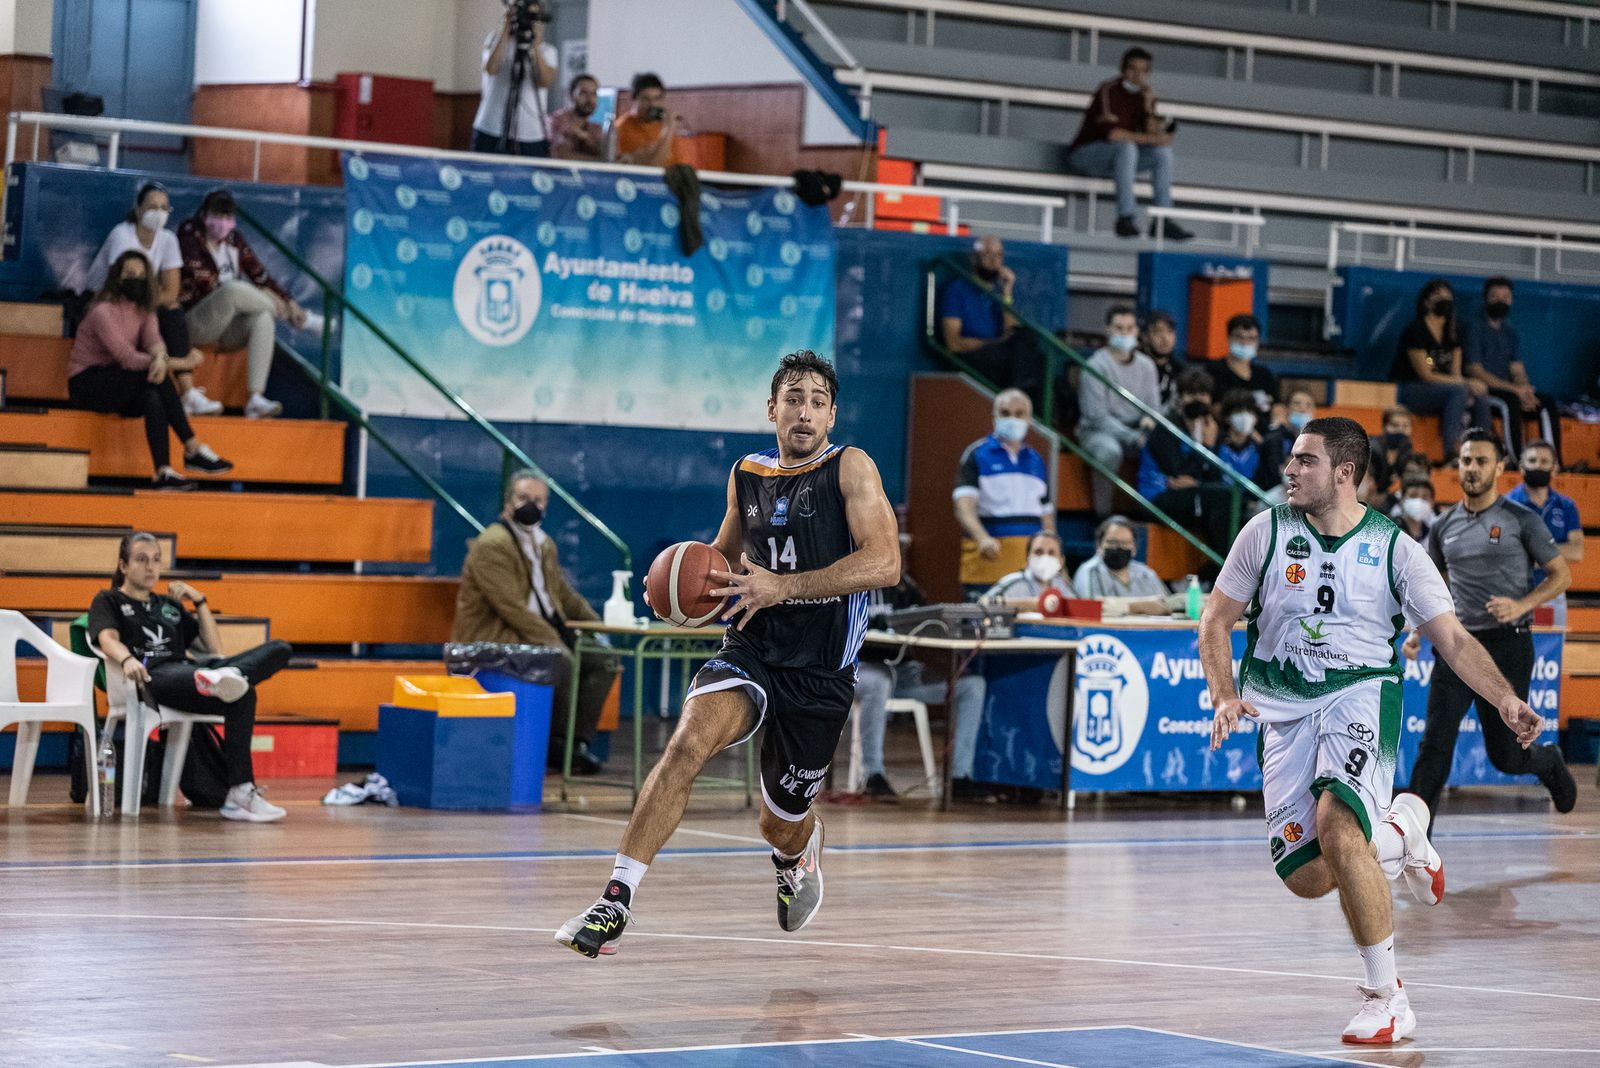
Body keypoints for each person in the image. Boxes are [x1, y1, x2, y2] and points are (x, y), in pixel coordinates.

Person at [1203, 416, 1544, 1045]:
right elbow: (1215, 620)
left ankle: (1387, 997)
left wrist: (1504, 698)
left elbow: (1453, 640)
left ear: (1344, 473)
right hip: (1281, 709)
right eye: (1291, 459)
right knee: (1308, 876)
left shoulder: (1396, 549)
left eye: (1305, 461)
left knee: (1338, 823)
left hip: (1361, 695)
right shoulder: (1265, 533)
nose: (1289, 470)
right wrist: (1225, 693)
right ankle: (1404, 829)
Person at [555, 351, 899, 958]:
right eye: (794, 397)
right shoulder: (747, 473)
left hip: (821, 673)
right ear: (773, 409)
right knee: (688, 742)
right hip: (753, 647)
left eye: (818, 401)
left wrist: (785, 585)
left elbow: (885, 563)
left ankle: (798, 848)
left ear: (831, 416)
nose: (805, 411)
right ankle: (615, 900)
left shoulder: (851, 468)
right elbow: (722, 557)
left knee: (778, 822)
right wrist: (679, 591)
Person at [1404, 429, 1576, 826]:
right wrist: (1416, 632)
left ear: (1499, 467)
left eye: (1481, 461)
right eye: (1466, 460)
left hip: (1508, 645)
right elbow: (1433, 586)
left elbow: (1561, 575)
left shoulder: (1521, 520)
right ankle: (1415, 840)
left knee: (1507, 756)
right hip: (1456, 646)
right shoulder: (1443, 525)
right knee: (1435, 745)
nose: (1472, 468)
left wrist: (1521, 604)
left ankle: (1547, 759)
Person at [88, 532, 293, 822]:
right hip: (152, 678)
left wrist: (199, 601)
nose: (151, 567)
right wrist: (127, 659)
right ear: (123, 566)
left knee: (278, 651)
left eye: (156, 560)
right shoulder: (108, 599)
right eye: (142, 560)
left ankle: (239, 793)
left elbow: (212, 647)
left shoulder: (168, 606)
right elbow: (107, 638)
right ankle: (226, 681)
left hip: (194, 676)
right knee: (240, 690)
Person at [451, 469, 618, 776]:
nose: (532, 505)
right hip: (497, 636)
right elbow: (511, 608)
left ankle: (575, 744)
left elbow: (565, 597)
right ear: (508, 501)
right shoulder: (493, 543)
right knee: (562, 660)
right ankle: (552, 743)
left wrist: (602, 628)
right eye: (524, 498)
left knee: (604, 660)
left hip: (537, 630)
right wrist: (553, 640)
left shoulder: (544, 544)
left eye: (539, 500)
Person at [68, 250, 233, 490]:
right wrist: (182, 364)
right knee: (154, 378)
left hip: (122, 383)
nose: (135, 279)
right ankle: (192, 446)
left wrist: (161, 359)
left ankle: (163, 472)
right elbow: (127, 358)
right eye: (129, 274)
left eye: (141, 275)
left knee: (153, 396)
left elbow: (155, 342)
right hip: (88, 383)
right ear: (117, 278)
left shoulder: (145, 310)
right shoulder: (102, 312)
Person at [855, 547, 989, 802]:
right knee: (879, 682)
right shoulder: (849, 585)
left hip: (905, 671)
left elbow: (927, 621)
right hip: (859, 669)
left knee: (972, 685)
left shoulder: (905, 586)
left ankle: (960, 777)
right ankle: (873, 775)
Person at [86, 182, 220, 417]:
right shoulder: (122, 234)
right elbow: (120, 289)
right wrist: (153, 294)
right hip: (104, 301)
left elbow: (171, 292)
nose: (158, 213)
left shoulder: (167, 239)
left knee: (173, 312)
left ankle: (188, 393)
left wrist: (151, 296)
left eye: (163, 208)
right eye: (152, 207)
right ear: (138, 210)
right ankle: (183, 374)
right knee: (164, 312)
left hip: (140, 302)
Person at [178, 189, 304, 420]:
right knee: (233, 289)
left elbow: (259, 274)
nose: (223, 223)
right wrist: (278, 303)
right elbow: (207, 282)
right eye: (217, 215)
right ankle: (284, 313)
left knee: (262, 319)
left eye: (228, 217)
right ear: (204, 215)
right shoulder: (189, 234)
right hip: (194, 322)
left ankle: (255, 399)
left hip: (226, 328)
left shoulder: (234, 240)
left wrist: (286, 299)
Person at [1065, 47, 1191, 241]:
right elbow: (1114, 134)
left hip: (1119, 161)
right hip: (1086, 155)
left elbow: (1151, 135)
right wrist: (1152, 139)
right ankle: (1125, 217)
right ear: (1123, 69)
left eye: (1143, 71)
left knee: (1162, 154)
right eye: (1132, 69)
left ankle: (1163, 219)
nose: (1137, 75)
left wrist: (1149, 107)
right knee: (1127, 146)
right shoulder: (1109, 90)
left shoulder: (1143, 97)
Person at [953, 389, 1055, 597]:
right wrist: (982, 538)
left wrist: (1052, 554)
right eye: (1005, 413)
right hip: (988, 564)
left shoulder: (1036, 460)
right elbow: (964, 508)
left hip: (1030, 570)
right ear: (994, 417)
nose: (1012, 419)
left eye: (1019, 414)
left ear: (1029, 419)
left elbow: (1046, 515)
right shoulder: (976, 454)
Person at [1136, 366, 1238, 556]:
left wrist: (1197, 482)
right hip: (1158, 496)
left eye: (1203, 394)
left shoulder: (1212, 428)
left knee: (1234, 505)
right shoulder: (1165, 428)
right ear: (1180, 398)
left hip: (1194, 493)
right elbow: (1178, 472)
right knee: (1223, 499)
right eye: (1191, 394)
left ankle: (1218, 570)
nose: (1198, 399)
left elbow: (1214, 475)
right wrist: (1205, 446)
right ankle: (1223, 571)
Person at [937, 236, 1047, 410]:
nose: (994, 261)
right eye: (988, 254)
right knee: (1017, 357)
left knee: (1031, 344)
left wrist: (1007, 292)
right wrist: (993, 343)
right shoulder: (956, 290)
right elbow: (953, 343)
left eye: (999, 255)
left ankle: (1028, 408)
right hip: (971, 356)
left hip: (998, 356)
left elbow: (1011, 331)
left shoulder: (997, 292)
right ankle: (1018, 402)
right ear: (974, 258)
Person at [1463, 277, 1563, 467]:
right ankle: (1518, 460)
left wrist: (1526, 391)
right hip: (1484, 392)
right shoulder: (1474, 328)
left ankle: (1553, 462)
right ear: (1485, 299)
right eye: (1495, 296)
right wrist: (1514, 391)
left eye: (1505, 297)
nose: (1501, 301)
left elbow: (1517, 370)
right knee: (1509, 403)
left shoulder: (1510, 333)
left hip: (1510, 390)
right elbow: (1475, 371)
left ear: (1511, 300)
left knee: (1546, 403)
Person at [1390, 279, 1491, 463]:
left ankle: (1483, 450)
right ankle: (1450, 452)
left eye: (1447, 297)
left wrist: (1468, 386)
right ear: (1426, 301)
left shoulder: (1452, 333)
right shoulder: (1416, 331)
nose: (1444, 300)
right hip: (1413, 389)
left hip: (1444, 391)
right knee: (1460, 390)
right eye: (1438, 296)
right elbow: (1426, 374)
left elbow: (1455, 375)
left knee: (1479, 395)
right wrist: (1466, 383)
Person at [1079, 305, 1160, 516]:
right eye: (1119, 328)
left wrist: (1148, 425)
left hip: (1138, 431)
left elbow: (1154, 409)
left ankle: (1150, 514)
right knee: (1109, 451)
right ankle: (1103, 517)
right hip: (1097, 432)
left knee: (1163, 448)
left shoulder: (1147, 365)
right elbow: (1096, 417)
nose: (1124, 333)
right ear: (1107, 330)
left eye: (1129, 328)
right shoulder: (1095, 365)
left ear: (1137, 332)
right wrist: (1132, 436)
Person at [1505, 440, 1583, 628]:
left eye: (1544, 461)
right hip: (1514, 593)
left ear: (1554, 468)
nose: (1538, 466)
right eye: (1532, 461)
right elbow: (1505, 549)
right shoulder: (1507, 504)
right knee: (1515, 652)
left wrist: (1534, 550)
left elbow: (1577, 551)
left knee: (1550, 650)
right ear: (1522, 467)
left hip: (1553, 591)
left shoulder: (1567, 506)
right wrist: (1553, 553)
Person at [472, 2, 558, 155]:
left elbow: (545, 81)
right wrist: (504, 30)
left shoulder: (548, 50)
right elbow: (490, 69)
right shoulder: (494, 40)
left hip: (531, 133)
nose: (528, 22)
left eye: (533, 17)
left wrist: (535, 46)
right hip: (491, 126)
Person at [1067, 519, 1169, 614]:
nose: (1119, 547)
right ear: (1099, 545)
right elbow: (1090, 606)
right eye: (1112, 542)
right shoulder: (1089, 570)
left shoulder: (1145, 573)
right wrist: (1140, 606)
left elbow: (1167, 603)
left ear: (1134, 548)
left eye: (1125, 543)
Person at [1205, 314, 1277, 421]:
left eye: (1251, 338)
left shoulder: (1264, 374)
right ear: (1228, 338)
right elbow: (1213, 408)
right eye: (1239, 337)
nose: (1245, 343)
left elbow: (1278, 406)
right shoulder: (1213, 371)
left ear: (1257, 342)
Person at [609, 73, 685, 167]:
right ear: (634, 99)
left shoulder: (662, 125)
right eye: (646, 99)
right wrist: (668, 131)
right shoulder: (622, 127)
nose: (652, 105)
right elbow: (654, 165)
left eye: (657, 98)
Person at [1216, 389, 1282, 494]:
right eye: (1238, 411)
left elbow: (1267, 481)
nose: (1244, 416)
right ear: (1227, 417)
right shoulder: (1216, 444)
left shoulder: (1261, 448)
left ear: (1255, 418)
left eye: (1249, 411)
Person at [982, 529, 1074, 603]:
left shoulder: (1064, 587)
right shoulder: (1011, 583)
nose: (1045, 557)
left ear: (1062, 561)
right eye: (1039, 552)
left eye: (1051, 553)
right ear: (1028, 557)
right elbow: (983, 604)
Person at [546, 73, 604, 161]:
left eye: (594, 94)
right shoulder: (556, 121)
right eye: (583, 93)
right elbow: (559, 155)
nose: (590, 99)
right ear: (571, 95)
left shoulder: (595, 127)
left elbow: (607, 155)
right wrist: (597, 161)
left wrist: (585, 137)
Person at [1366, 406, 1415, 501]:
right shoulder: (1371, 449)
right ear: (1384, 427)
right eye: (1395, 425)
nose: (1400, 430)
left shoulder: (1408, 453)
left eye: (1405, 426)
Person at [1144, 308, 1185, 409]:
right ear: (1145, 336)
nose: (1165, 338)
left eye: (1170, 331)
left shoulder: (1180, 370)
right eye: (1157, 332)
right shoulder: (1139, 367)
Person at [1393, 477, 1436, 543]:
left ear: (1432, 503)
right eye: (1413, 496)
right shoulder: (1389, 528)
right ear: (1402, 500)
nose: (1419, 501)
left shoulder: (1432, 534)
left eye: (1425, 497)